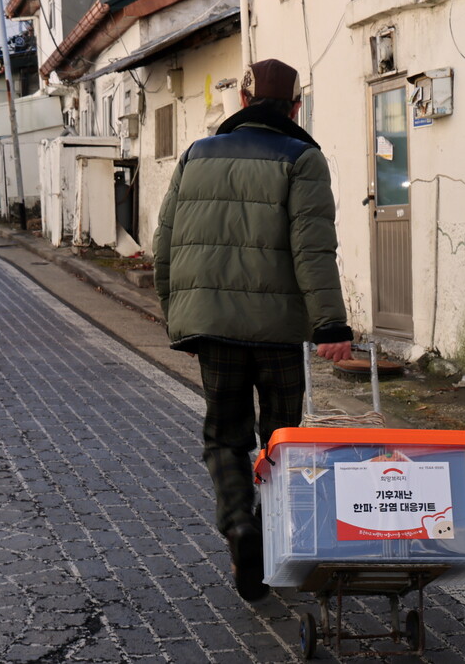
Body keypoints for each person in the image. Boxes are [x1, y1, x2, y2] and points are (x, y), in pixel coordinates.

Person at [153, 58, 353, 602]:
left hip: (212, 327)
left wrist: (178, 316)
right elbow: (313, 249)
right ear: (295, 107)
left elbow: (164, 243)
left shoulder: (196, 154)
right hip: (279, 333)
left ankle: (239, 524)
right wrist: (330, 324)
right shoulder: (303, 158)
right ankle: (270, 535)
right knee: (283, 438)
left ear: (242, 102)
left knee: (225, 436)